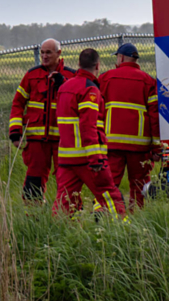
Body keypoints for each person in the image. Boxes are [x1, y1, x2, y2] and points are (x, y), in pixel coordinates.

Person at [52, 48, 126, 219]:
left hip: (66, 158)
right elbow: (88, 125)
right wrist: (95, 158)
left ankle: (59, 236)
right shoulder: (90, 90)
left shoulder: (64, 87)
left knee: (64, 202)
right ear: (98, 65)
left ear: (78, 64)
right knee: (109, 195)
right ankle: (123, 230)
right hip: (87, 158)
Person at [9, 38, 75, 201]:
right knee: (33, 182)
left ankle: (67, 217)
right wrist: (15, 132)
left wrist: (63, 83)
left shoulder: (71, 76)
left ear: (59, 53)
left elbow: (77, 102)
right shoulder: (32, 75)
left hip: (63, 141)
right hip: (37, 141)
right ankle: (34, 218)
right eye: (42, 52)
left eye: (48, 52)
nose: (44, 56)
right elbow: (18, 103)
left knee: (68, 180)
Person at [99, 43, 161, 208]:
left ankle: (107, 218)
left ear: (120, 58)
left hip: (112, 143)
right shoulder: (149, 81)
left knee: (110, 183)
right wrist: (156, 147)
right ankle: (138, 219)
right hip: (139, 146)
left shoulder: (105, 78)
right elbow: (155, 117)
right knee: (139, 185)